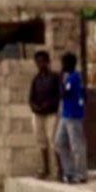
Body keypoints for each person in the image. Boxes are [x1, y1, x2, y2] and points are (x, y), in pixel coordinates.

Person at [54, 52, 88, 184]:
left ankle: (80, 174)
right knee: (59, 142)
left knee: (76, 145)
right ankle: (69, 171)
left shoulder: (74, 77)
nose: (62, 66)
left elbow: (63, 93)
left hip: (73, 115)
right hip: (65, 115)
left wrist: (61, 79)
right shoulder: (71, 77)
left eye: (64, 63)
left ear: (69, 64)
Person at [28, 50, 62, 179]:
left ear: (48, 62)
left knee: (53, 140)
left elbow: (59, 95)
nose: (40, 64)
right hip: (38, 114)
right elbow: (31, 98)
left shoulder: (54, 77)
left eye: (42, 61)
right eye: (38, 62)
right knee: (41, 141)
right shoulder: (36, 80)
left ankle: (59, 170)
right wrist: (35, 107)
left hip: (51, 113)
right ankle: (45, 169)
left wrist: (49, 104)